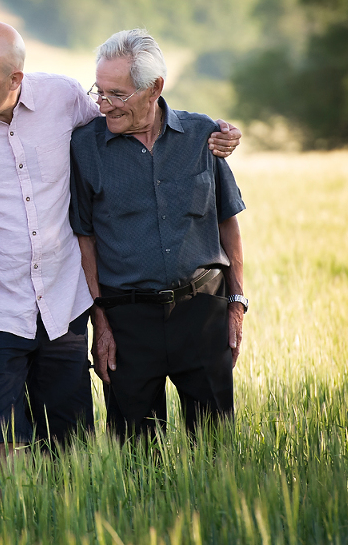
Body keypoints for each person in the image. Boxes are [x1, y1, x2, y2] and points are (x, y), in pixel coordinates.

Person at [0, 22, 242, 458]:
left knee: (73, 445)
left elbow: (135, 113)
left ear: (15, 79)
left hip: (64, 309)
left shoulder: (63, 98)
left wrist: (212, 132)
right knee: (3, 446)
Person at [70, 29, 247, 442]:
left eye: (117, 94)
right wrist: (101, 322)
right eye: (100, 91)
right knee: (135, 457)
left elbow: (227, 221)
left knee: (216, 447)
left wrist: (236, 304)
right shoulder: (85, 147)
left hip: (203, 311)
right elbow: (86, 239)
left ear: (154, 89)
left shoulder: (204, 136)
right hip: (127, 321)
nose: (103, 105)